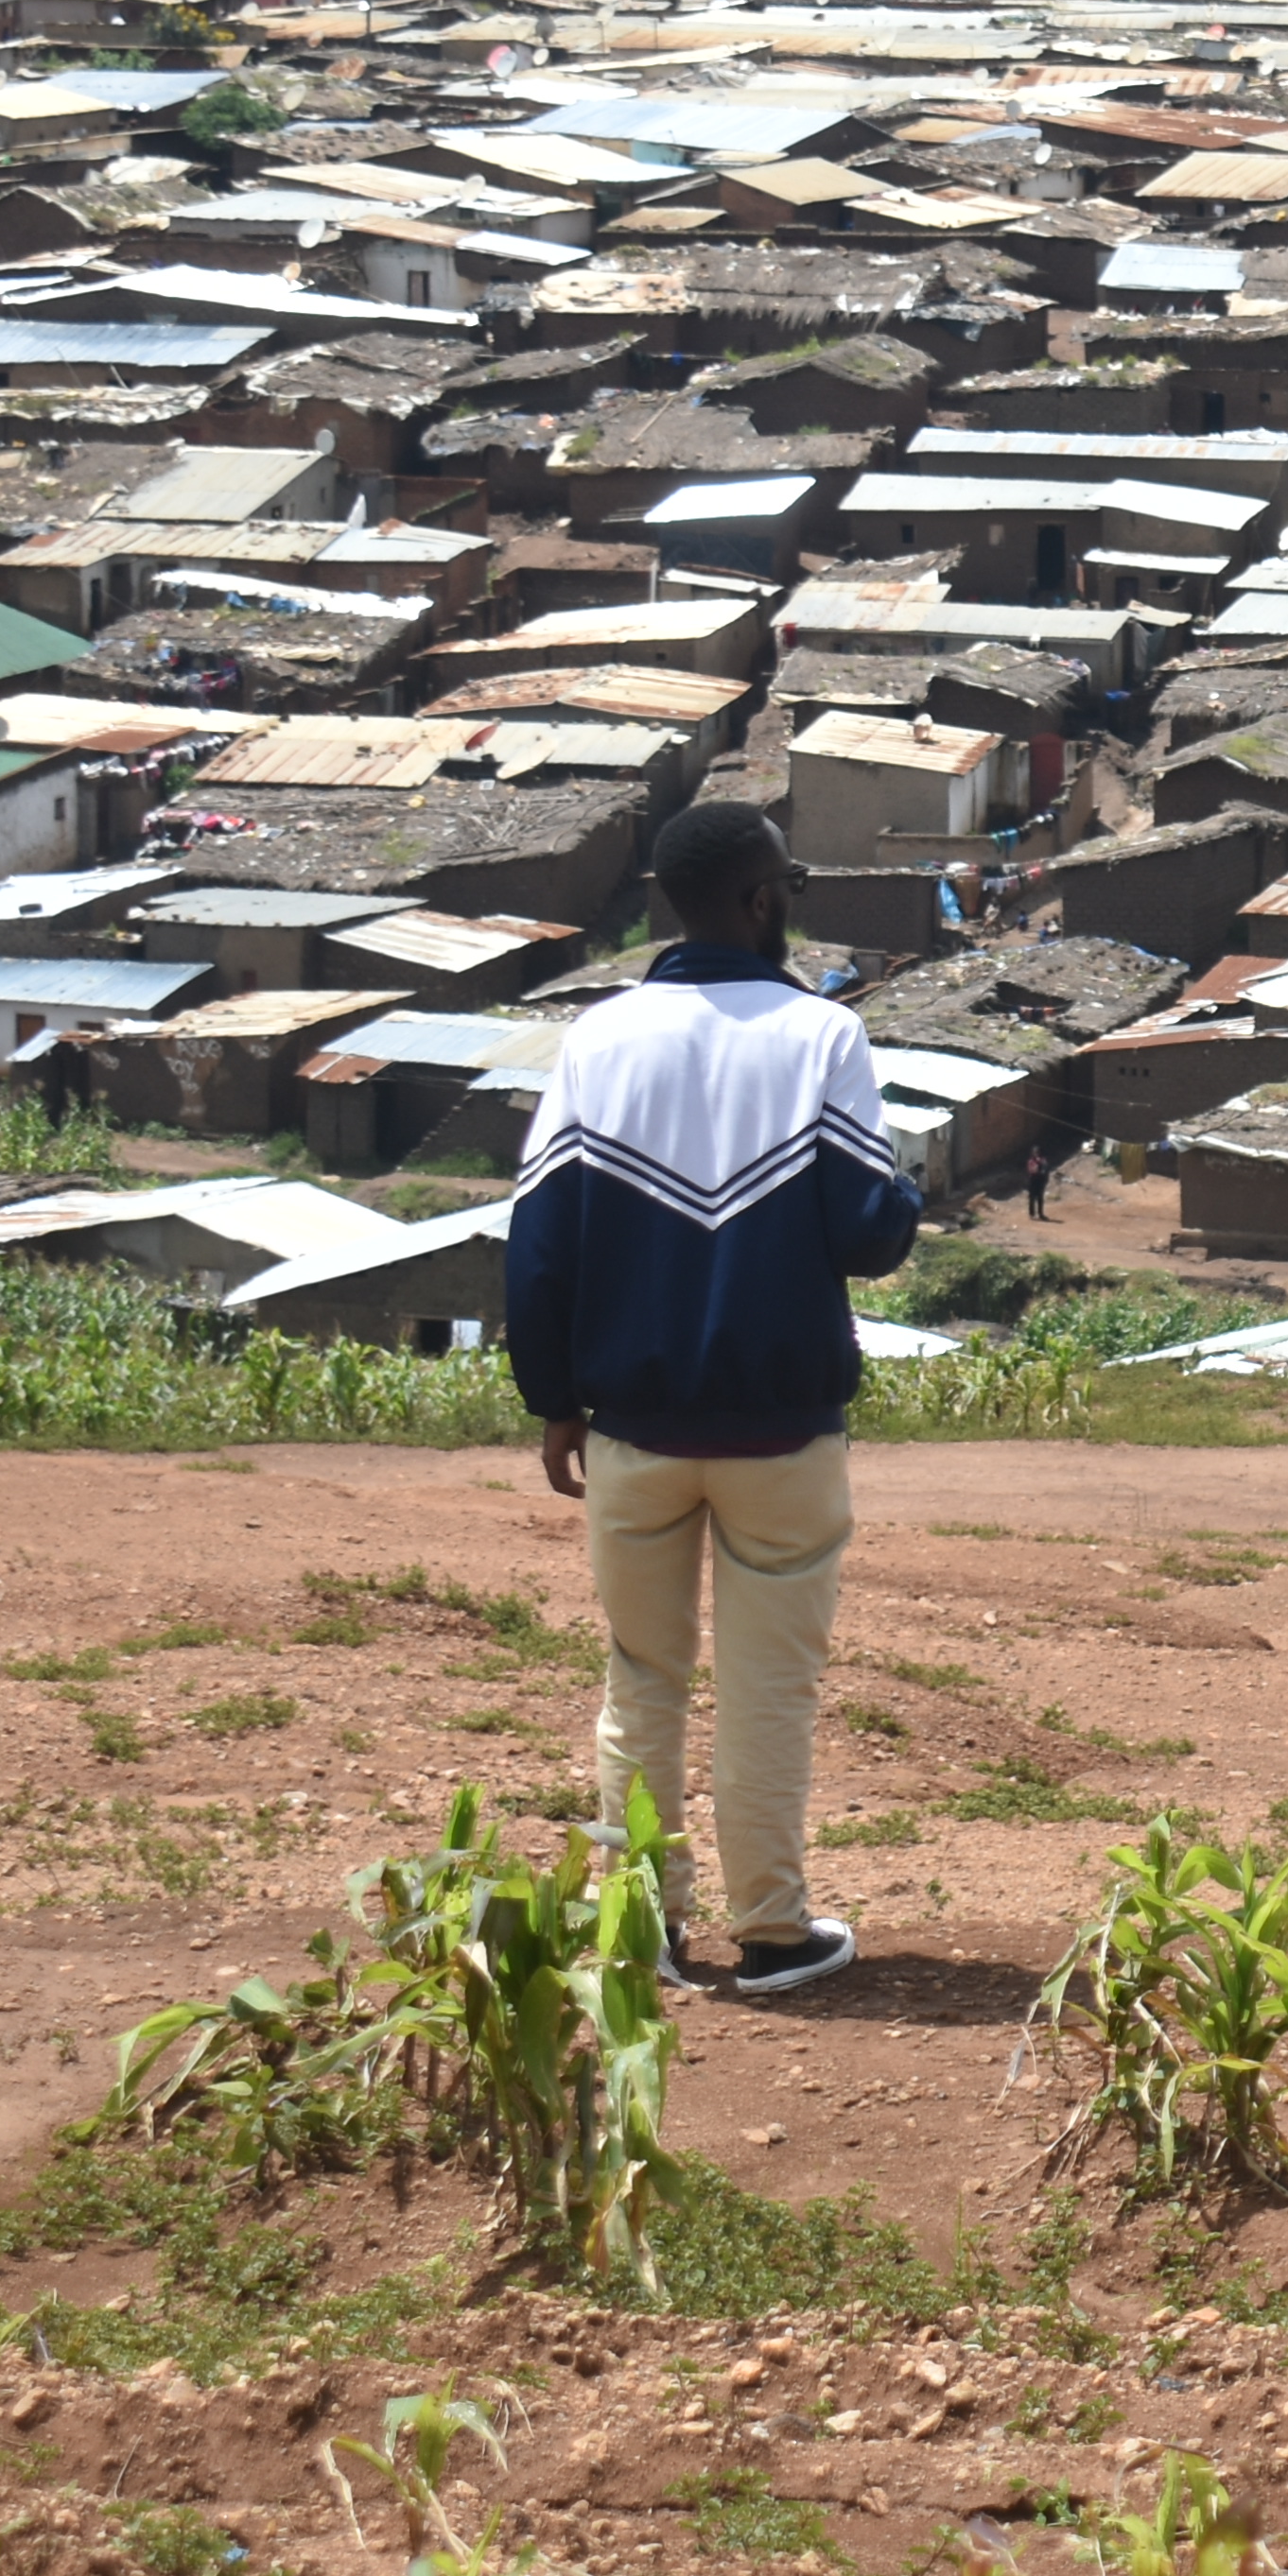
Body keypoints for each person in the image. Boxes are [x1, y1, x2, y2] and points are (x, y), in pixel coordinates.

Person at [505, 801, 928, 1997]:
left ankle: (643, 1926)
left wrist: (555, 1400)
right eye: (781, 887)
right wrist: (907, 1188)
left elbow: (539, 1243)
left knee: (642, 1676)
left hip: (634, 1427)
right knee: (767, 1689)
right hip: (783, 1432)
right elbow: (869, 1234)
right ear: (757, 901)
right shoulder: (820, 1037)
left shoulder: (600, 1039)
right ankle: (774, 1932)